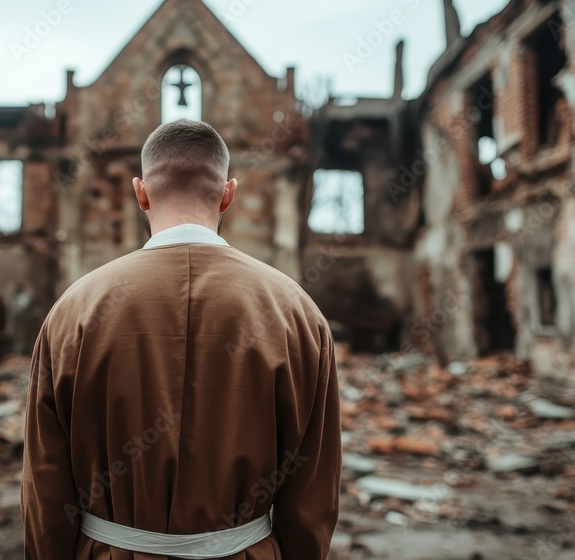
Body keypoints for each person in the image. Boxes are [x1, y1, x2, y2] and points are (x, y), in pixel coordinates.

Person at [21, 119, 342, 559]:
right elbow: (313, 496)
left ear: (141, 193)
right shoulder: (297, 314)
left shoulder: (74, 311)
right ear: (228, 193)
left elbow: (46, 485)